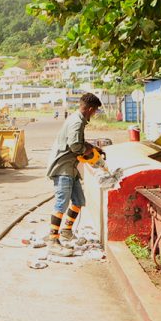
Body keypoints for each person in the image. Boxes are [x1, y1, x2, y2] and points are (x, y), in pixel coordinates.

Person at [45, 93, 103, 256]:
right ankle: (53, 241)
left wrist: (93, 148)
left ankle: (66, 231)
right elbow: (75, 146)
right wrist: (90, 154)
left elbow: (79, 143)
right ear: (90, 109)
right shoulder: (77, 122)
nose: (94, 114)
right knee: (61, 203)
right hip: (62, 167)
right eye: (95, 111)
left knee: (78, 201)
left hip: (71, 168)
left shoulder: (78, 120)